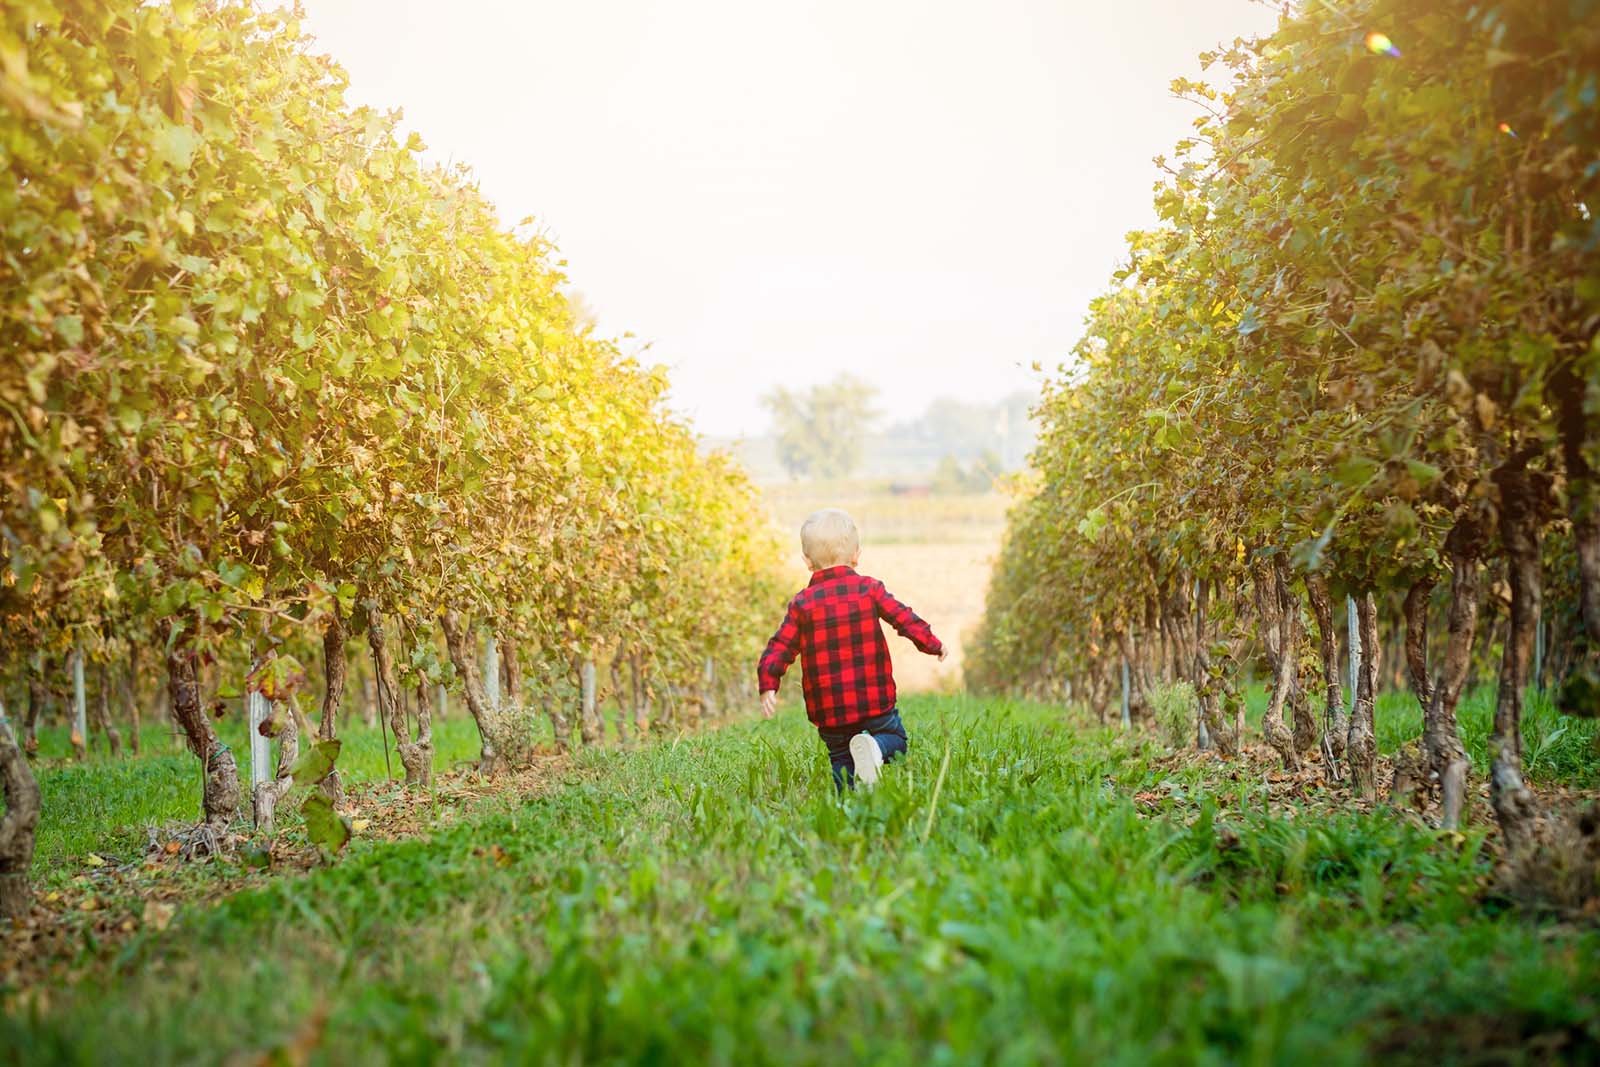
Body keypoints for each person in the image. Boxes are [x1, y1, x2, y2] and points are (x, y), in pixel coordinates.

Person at [757, 508, 947, 789]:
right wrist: (932, 643)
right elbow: (903, 618)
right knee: (896, 743)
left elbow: (780, 646)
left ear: (807, 562)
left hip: (830, 709)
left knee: (841, 758)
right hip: (874, 700)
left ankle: (846, 807)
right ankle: (875, 748)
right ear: (856, 555)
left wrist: (768, 683)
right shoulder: (869, 589)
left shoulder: (803, 604)